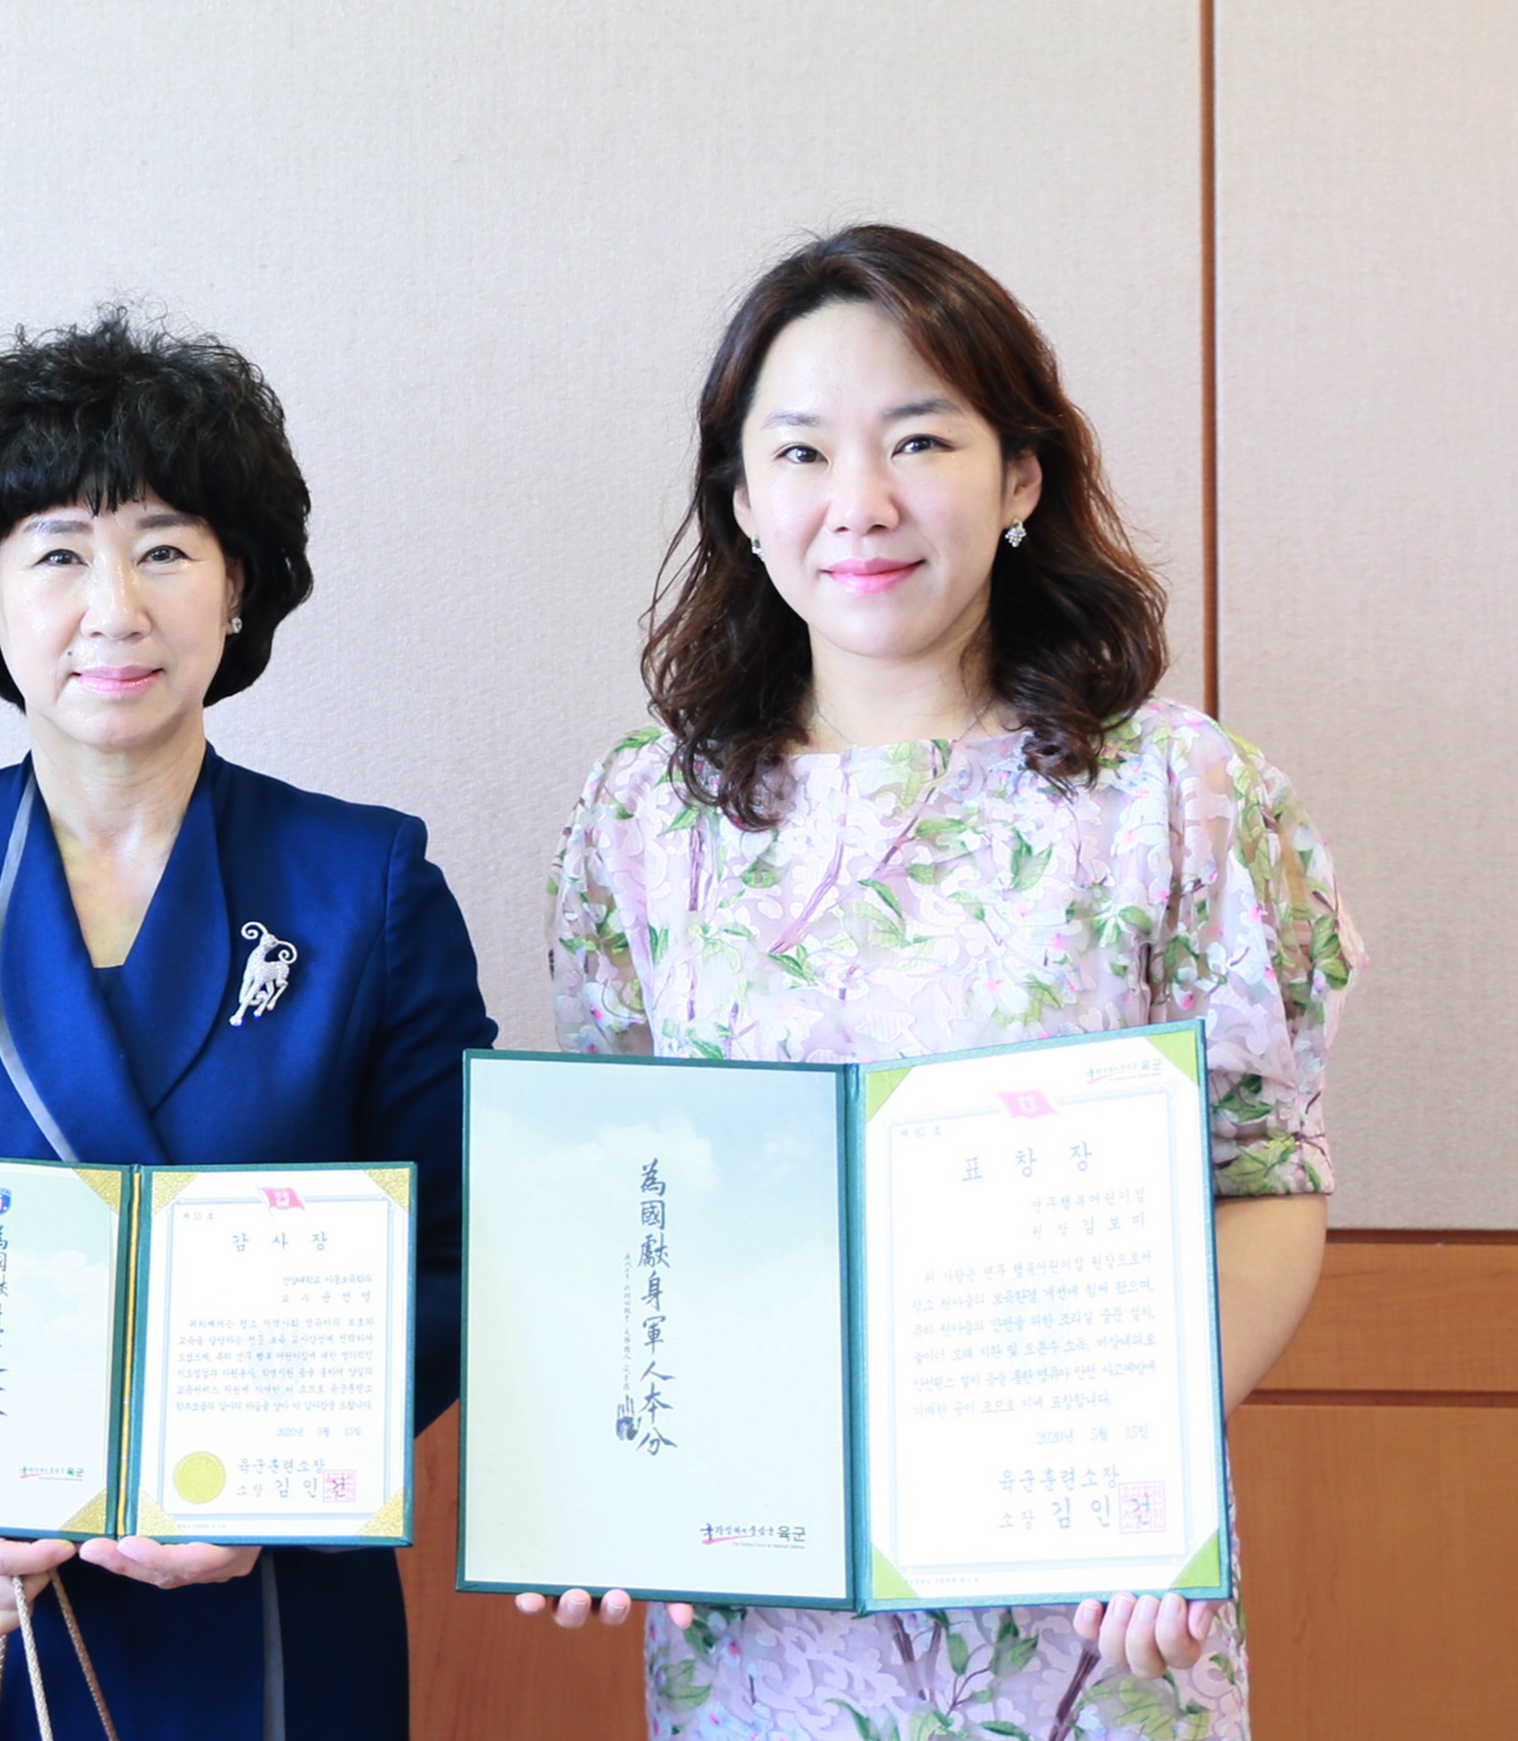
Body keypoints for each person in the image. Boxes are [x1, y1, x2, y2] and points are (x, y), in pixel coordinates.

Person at [523, 225, 1361, 1740]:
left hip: (1090, 1611)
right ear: (741, 501)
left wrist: (1148, 1465)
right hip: (762, 1632)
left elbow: (1265, 1180)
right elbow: (623, 1200)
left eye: (921, 439)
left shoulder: (1181, 794)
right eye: (802, 453)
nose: (863, 503)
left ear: (1021, 477)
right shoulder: (646, 818)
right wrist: (594, 1477)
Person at [0, 310, 498, 1741]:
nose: (114, 606)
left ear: (238, 585)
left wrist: (287, 1481)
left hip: (260, 1604)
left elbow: (468, 1254)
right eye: (59, 550)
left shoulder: (365, 885)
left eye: (168, 547)